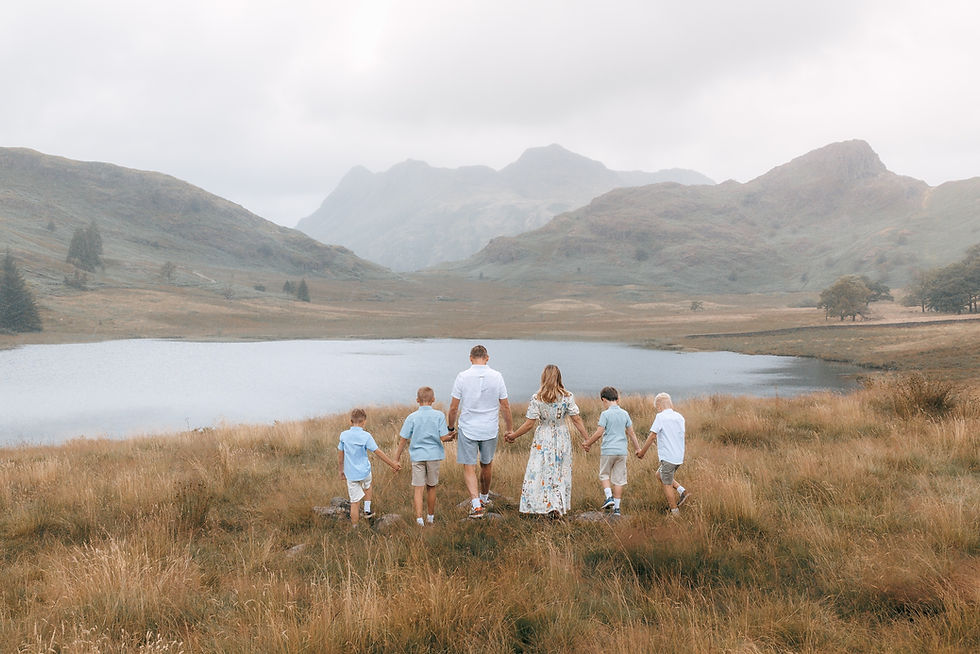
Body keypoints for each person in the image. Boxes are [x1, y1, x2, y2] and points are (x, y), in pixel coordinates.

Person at [505, 364, 589, 517]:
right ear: (559, 377)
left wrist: (513, 435)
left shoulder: (537, 398)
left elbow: (529, 423)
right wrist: (586, 438)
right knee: (560, 472)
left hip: (543, 437)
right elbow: (576, 419)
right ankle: (556, 507)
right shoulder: (567, 396)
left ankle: (541, 505)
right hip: (562, 436)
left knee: (540, 471)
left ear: (543, 377)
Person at [448, 345, 512, 519]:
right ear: (487, 358)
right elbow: (505, 405)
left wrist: (451, 428)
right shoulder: (497, 376)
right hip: (490, 428)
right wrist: (509, 429)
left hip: (468, 428)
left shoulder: (462, 377)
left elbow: (454, 407)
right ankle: (484, 498)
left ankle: (476, 504)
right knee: (486, 464)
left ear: (470, 358)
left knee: (469, 466)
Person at [393, 386, 456, 526]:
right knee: (431, 487)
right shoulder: (439, 415)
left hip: (417, 456)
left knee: (418, 488)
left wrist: (396, 459)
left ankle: (419, 519)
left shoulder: (412, 417)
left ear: (417, 400)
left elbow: (403, 439)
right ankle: (430, 517)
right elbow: (444, 438)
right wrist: (452, 436)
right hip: (433, 456)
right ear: (433, 400)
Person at [581, 386, 642, 516]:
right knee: (619, 480)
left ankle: (609, 497)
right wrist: (637, 449)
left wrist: (588, 443)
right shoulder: (625, 413)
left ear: (604, 399)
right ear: (617, 399)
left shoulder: (605, 414)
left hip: (608, 450)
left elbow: (599, 433)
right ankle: (617, 510)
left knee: (604, 475)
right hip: (622, 452)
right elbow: (632, 434)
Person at [337, 408, 401, 527]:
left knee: (354, 503)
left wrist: (341, 470)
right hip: (364, 472)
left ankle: (355, 528)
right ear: (364, 422)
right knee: (368, 487)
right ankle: (367, 509)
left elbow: (340, 454)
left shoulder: (344, 435)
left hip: (350, 474)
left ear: (351, 421)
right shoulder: (366, 436)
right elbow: (378, 452)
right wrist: (393, 464)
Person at [636, 393, 689, 516]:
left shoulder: (660, 417)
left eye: (656, 408)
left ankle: (674, 512)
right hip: (678, 457)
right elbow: (677, 435)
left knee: (667, 483)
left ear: (659, 406)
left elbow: (652, 435)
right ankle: (683, 491)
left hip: (668, 457)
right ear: (670, 404)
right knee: (659, 474)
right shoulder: (680, 417)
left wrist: (642, 453)